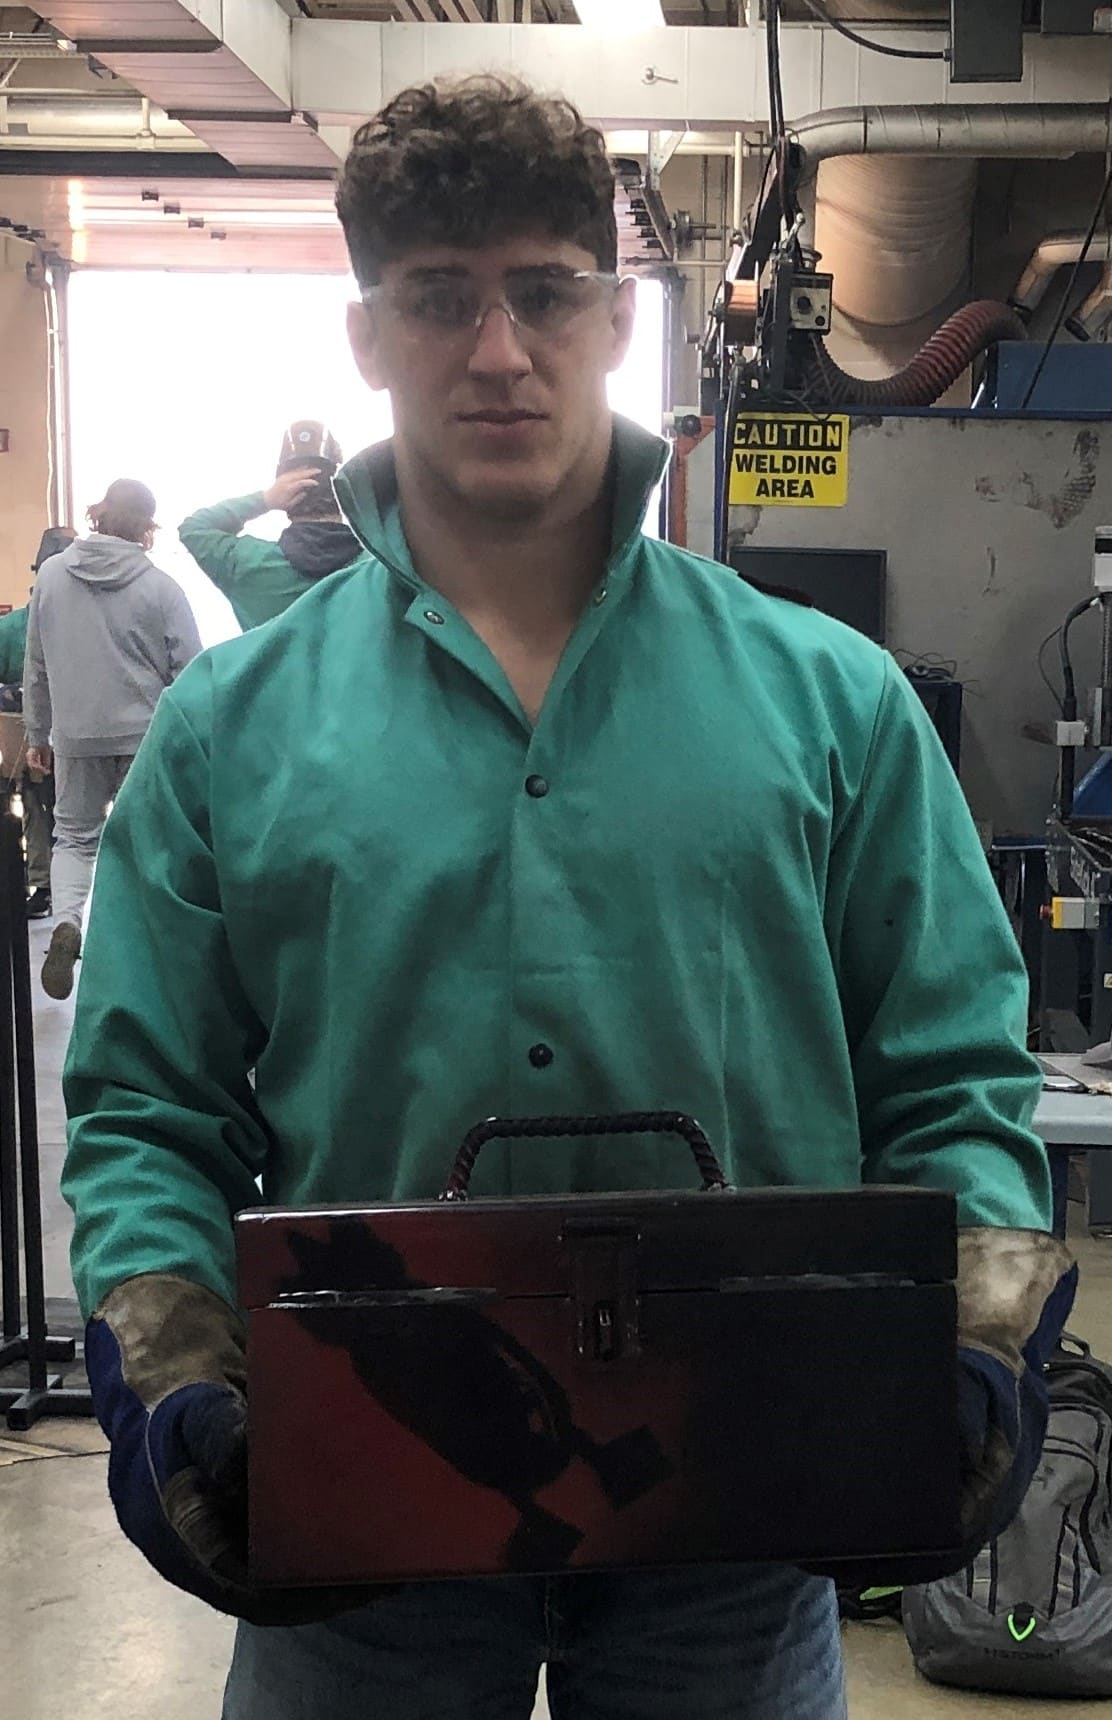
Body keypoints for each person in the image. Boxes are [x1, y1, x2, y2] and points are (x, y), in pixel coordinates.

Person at [63, 79, 1072, 1720]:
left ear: (612, 320)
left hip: (743, 1493)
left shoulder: (829, 704)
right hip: (356, 1487)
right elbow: (147, 1107)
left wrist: (968, 1331)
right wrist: (178, 1372)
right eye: (438, 298)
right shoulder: (231, 730)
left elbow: (951, 1070)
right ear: (367, 334)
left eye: (543, 292)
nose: (497, 350)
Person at [24, 479, 201, 1000]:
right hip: (145, 735)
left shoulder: (51, 576)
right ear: (147, 528)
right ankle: (137, 948)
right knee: (144, 841)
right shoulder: (161, 588)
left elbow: (36, 664)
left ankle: (67, 922)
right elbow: (190, 671)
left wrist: (38, 732)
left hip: (75, 733)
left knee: (74, 837)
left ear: (98, 513)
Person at [178, 422, 367, 630]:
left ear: (287, 494)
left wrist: (266, 499)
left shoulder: (246, 564)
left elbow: (195, 528)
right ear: (340, 489)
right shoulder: (378, 567)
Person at [0, 526, 77, 917]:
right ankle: (53, 889)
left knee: (47, 809)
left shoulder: (13, 628)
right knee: (49, 807)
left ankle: (52, 887)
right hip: (55, 734)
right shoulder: (15, 629)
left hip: (53, 735)